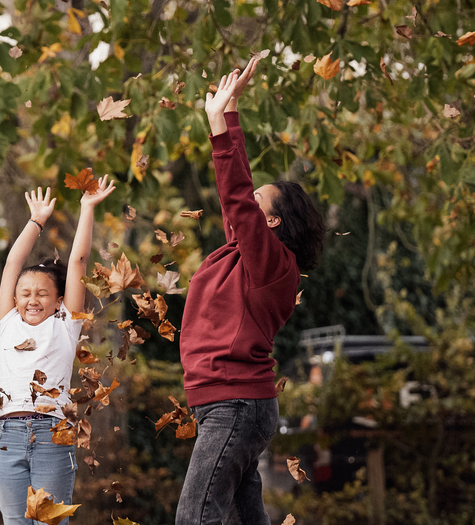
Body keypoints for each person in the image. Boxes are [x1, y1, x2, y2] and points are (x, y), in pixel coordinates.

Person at [174, 56, 327, 525]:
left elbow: (237, 195)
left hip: (234, 405)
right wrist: (231, 112)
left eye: (259, 202)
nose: (244, 205)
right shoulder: (244, 254)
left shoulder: (273, 267)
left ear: (273, 222)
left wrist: (218, 127)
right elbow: (235, 196)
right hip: (223, 403)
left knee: (195, 517)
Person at [0, 180, 116, 525]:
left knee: (50, 524)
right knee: (16, 523)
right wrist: (36, 221)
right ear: (15, 298)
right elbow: (14, 261)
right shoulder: (8, 321)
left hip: (51, 432)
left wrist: (87, 209)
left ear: (59, 300)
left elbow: (77, 262)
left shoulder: (65, 324)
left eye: (42, 294)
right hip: (6, 435)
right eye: (25, 293)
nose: (32, 299)